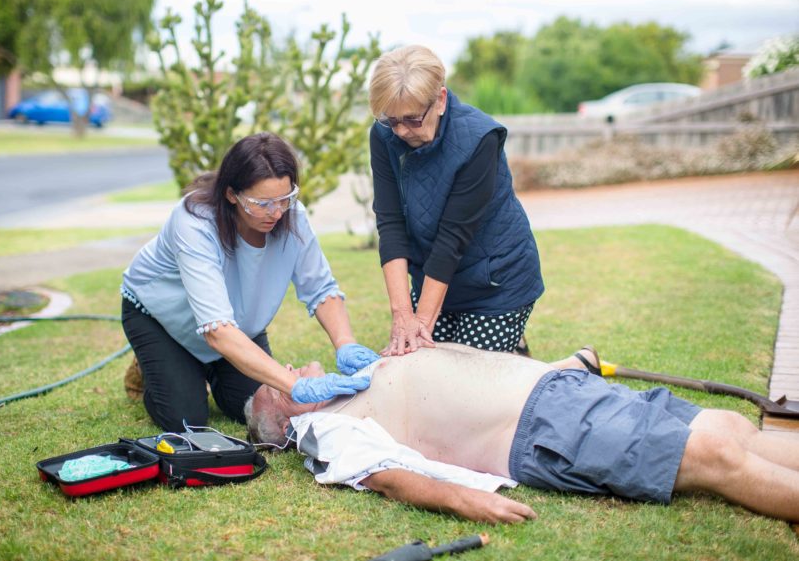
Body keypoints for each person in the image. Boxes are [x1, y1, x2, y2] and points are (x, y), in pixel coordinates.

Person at [245, 343, 799, 524]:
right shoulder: (326, 428)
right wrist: (465, 500)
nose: (291, 366)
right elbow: (383, 476)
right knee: (717, 452)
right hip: (540, 430)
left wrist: (559, 367)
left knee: (731, 426)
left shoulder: (356, 378)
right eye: (278, 381)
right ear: (284, 421)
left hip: (558, 392)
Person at [120, 133, 378, 431]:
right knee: (186, 418)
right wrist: (294, 384)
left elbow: (320, 289)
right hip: (163, 320)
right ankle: (157, 364)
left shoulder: (292, 217)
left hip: (236, 326)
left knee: (253, 405)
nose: (277, 212)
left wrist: (345, 344)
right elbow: (217, 330)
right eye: (263, 203)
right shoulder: (194, 221)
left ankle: (207, 368)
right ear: (232, 194)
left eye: (285, 198)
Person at [367, 45, 543, 358]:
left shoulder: (479, 139)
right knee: (420, 369)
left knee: (466, 387)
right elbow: (390, 222)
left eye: (412, 119)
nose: (402, 131)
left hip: (495, 282)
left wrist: (421, 322)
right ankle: (512, 354)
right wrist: (403, 317)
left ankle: (566, 362)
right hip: (434, 280)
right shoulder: (383, 135)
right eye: (392, 120)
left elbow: (452, 238)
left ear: (440, 100)